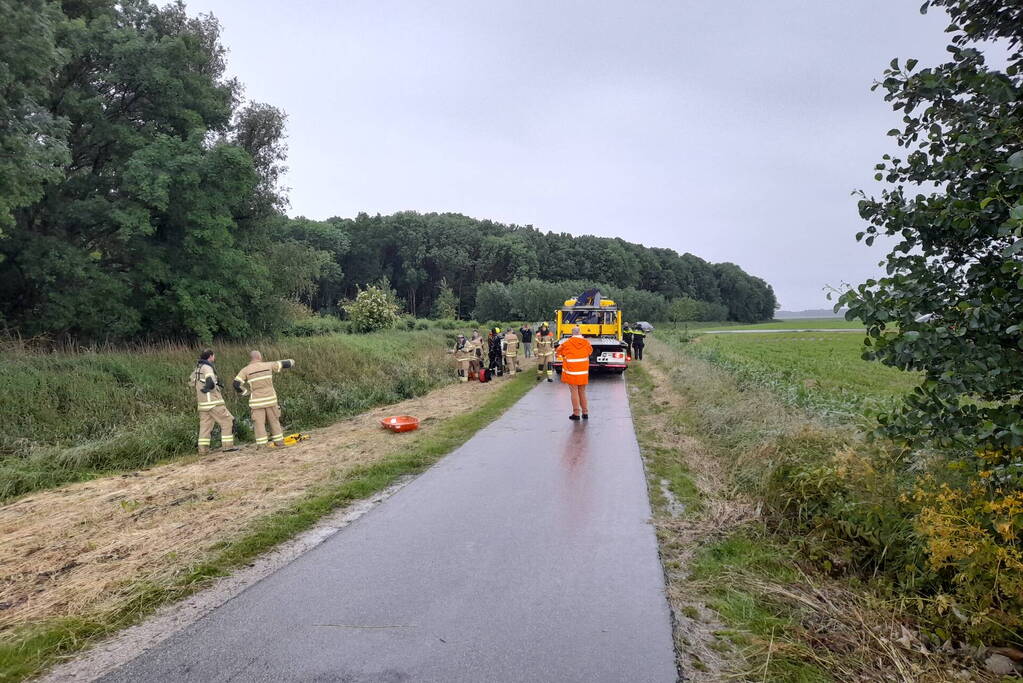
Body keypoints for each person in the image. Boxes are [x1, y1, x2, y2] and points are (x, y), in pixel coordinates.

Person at [234, 350, 295, 448]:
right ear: (259, 357)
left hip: (257, 403)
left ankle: (262, 446)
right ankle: (279, 442)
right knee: (274, 422)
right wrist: (292, 361)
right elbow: (283, 363)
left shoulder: (245, 370)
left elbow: (236, 384)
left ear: (251, 358)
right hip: (271, 400)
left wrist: (246, 393)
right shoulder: (268, 365)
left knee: (259, 425)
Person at [191, 349, 236, 454]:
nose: (214, 358)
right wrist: (209, 387)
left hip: (202, 404)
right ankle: (228, 446)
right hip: (213, 402)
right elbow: (210, 381)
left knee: (205, 427)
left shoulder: (197, 368)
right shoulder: (207, 367)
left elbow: (191, 382)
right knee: (227, 421)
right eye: (214, 356)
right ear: (210, 356)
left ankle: (203, 450)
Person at [556, 325, 593, 420]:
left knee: (574, 392)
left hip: (572, 373)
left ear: (572, 333)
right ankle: (585, 413)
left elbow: (558, 351)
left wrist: (565, 355)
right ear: (580, 333)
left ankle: (576, 413)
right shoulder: (586, 343)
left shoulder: (567, 343)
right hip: (583, 373)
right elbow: (590, 352)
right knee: (582, 392)